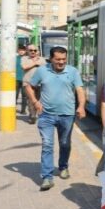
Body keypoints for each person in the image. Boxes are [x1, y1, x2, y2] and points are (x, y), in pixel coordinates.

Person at [24, 47, 86, 191]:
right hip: (46, 115)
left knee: (65, 143)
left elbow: (79, 90)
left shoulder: (72, 71)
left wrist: (81, 106)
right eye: (58, 59)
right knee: (47, 144)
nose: (61, 62)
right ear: (51, 58)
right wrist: (35, 102)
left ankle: (63, 166)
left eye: (64, 59)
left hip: (67, 115)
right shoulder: (42, 71)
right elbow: (29, 86)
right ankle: (47, 177)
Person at [22, 45, 47, 124]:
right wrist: (35, 63)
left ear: (37, 51)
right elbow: (24, 67)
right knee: (31, 100)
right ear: (27, 51)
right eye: (31, 50)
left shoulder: (42, 59)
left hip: (40, 83)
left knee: (39, 99)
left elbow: (46, 68)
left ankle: (37, 114)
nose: (33, 52)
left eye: (35, 50)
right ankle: (32, 116)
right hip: (28, 83)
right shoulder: (24, 58)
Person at [15, 46, 27, 113]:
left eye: (23, 50)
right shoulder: (15, 59)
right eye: (20, 50)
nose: (21, 51)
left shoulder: (27, 59)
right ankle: (13, 108)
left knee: (24, 96)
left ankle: (23, 110)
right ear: (18, 51)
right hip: (16, 79)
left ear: (25, 51)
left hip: (25, 80)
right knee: (15, 95)